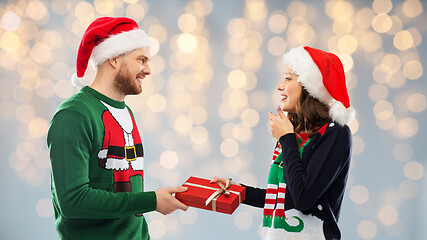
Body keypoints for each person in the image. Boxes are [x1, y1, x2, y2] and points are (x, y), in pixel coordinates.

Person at [47, 17, 188, 240]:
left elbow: (128, 199)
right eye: (141, 60)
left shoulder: (126, 113)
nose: (148, 70)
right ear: (113, 58)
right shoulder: (74, 115)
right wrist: (152, 200)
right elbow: (73, 202)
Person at [213, 46, 355, 240]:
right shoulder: (292, 133)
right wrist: (239, 192)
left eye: (288, 79)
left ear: (309, 86)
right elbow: (283, 198)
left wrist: (286, 139)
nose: (279, 86)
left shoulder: (335, 133)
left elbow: (303, 198)